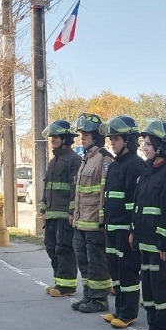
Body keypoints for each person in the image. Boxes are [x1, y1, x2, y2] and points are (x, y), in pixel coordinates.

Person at [130, 118, 166, 330]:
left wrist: (164, 243)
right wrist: (134, 231)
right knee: (149, 290)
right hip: (145, 243)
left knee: (162, 290)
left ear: (161, 146)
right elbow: (138, 204)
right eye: (144, 143)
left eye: (149, 143)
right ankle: (152, 327)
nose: (145, 147)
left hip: (159, 247)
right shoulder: (149, 169)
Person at [100, 116, 148, 329]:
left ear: (129, 140)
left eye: (116, 138)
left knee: (128, 272)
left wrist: (132, 230)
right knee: (116, 271)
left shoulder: (136, 166)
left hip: (125, 230)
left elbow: (135, 203)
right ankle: (119, 309)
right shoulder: (115, 165)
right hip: (112, 227)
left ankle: (128, 313)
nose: (112, 142)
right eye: (111, 138)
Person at [69, 113, 114, 313]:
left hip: (95, 223)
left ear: (96, 136)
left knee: (97, 263)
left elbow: (105, 193)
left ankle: (99, 299)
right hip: (81, 222)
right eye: (82, 134)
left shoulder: (104, 159)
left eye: (86, 134)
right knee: (84, 262)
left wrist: (102, 221)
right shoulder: (86, 159)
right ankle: (88, 295)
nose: (82, 137)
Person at [40, 120, 82, 297]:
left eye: (55, 137)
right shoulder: (54, 161)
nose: (52, 140)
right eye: (51, 137)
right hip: (51, 214)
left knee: (64, 248)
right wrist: (43, 210)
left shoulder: (74, 160)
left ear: (65, 138)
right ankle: (59, 281)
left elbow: (75, 189)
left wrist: (72, 212)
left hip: (65, 215)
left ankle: (67, 286)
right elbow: (47, 186)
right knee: (51, 247)